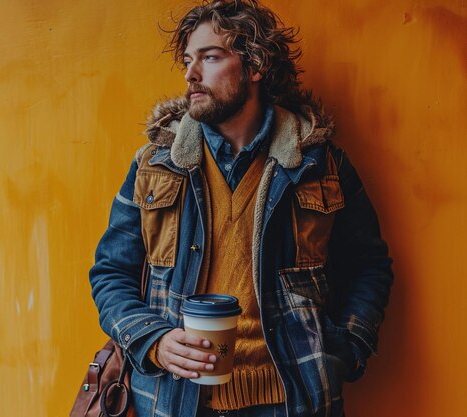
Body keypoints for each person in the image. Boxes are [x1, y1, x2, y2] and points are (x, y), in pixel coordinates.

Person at [88, 1, 393, 416]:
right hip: (175, 400)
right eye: (188, 60)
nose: (190, 74)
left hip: (292, 400)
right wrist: (152, 340)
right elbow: (110, 272)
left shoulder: (319, 165)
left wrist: (347, 348)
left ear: (255, 66)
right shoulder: (155, 165)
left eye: (210, 57)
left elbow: (368, 264)